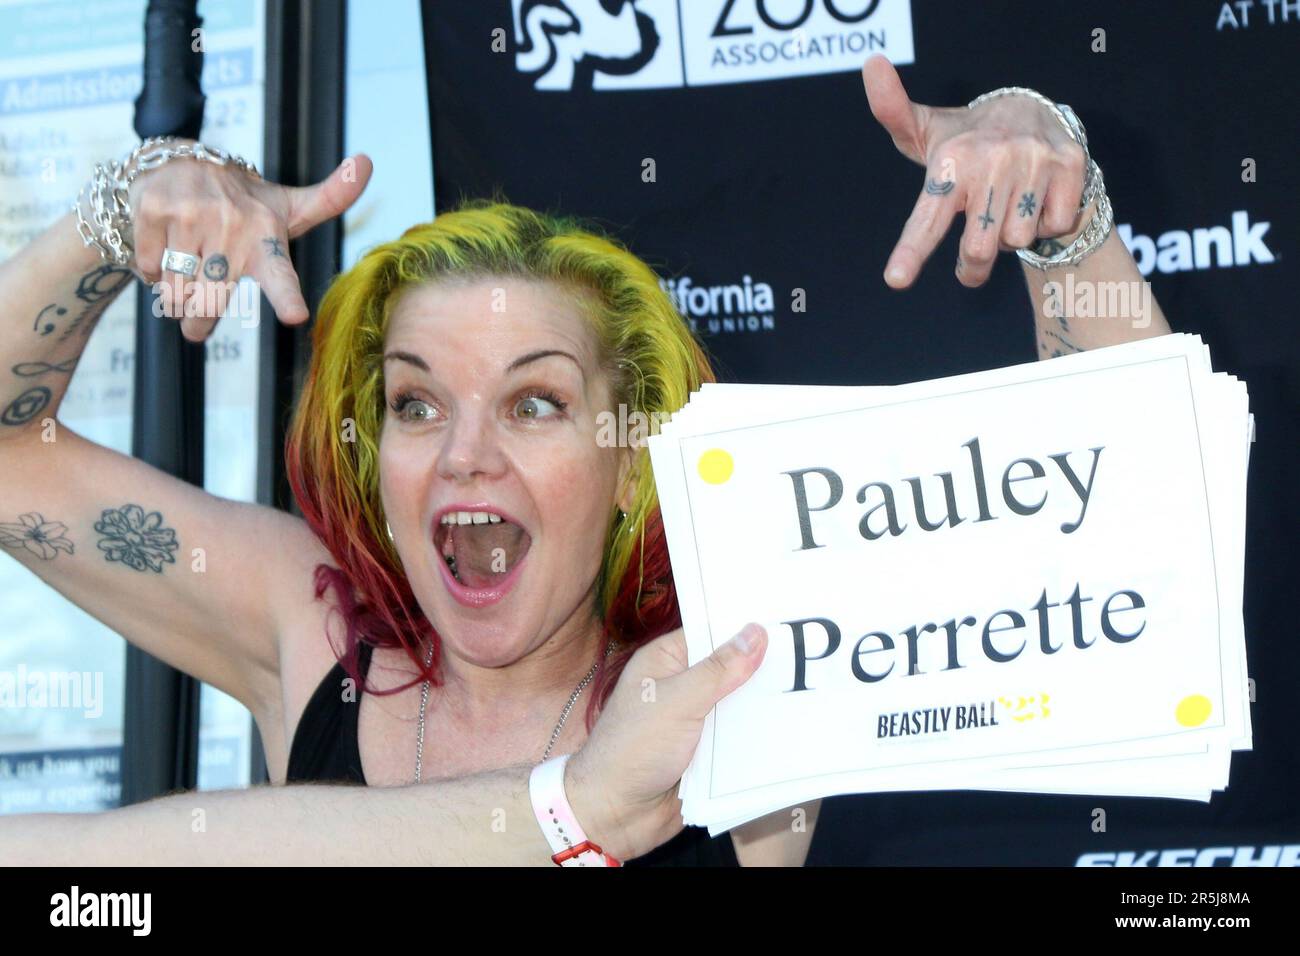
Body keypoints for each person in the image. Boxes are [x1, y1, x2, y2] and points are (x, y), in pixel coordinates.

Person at [0, 56, 1169, 866]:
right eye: (415, 403)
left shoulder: (731, 676)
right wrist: (116, 214)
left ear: (630, 457)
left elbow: (1134, 528)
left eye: (536, 403)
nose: (465, 454)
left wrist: (1063, 219)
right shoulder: (310, 626)